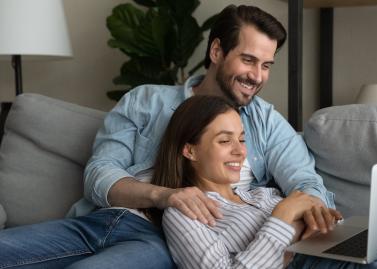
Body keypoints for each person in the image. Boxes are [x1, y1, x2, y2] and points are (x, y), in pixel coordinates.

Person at [0, 5, 335, 268]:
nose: (257, 76)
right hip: (99, 220)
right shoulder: (145, 101)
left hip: (161, 238)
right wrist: (165, 196)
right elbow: (100, 174)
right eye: (248, 60)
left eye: (266, 65)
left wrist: (300, 216)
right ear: (217, 51)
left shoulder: (265, 122)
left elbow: (306, 183)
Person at [151, 94, 377, 269]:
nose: (240, 150)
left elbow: (293, 234)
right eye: (225, 141)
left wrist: (317, 222)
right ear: (190, 150)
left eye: (242, 138)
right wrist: (284, 216)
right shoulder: (183, 213)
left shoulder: (260, 194)